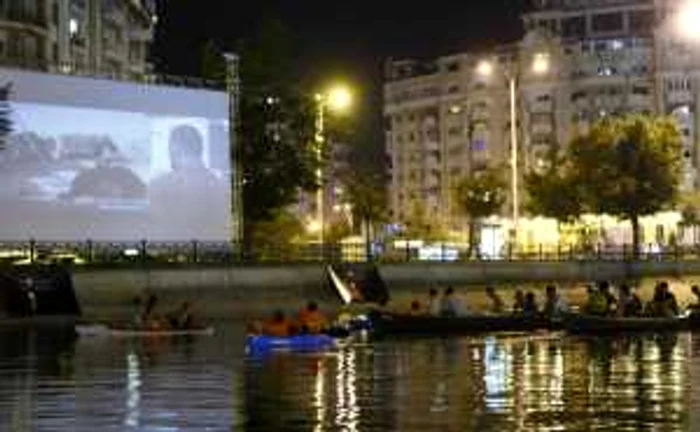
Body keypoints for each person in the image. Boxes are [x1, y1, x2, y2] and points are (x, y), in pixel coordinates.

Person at [148, 124, 228, 240]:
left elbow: (159, 226)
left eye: (169, 147)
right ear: (200, 149)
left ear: (174, 148)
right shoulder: (223, 186)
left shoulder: (158, 185)